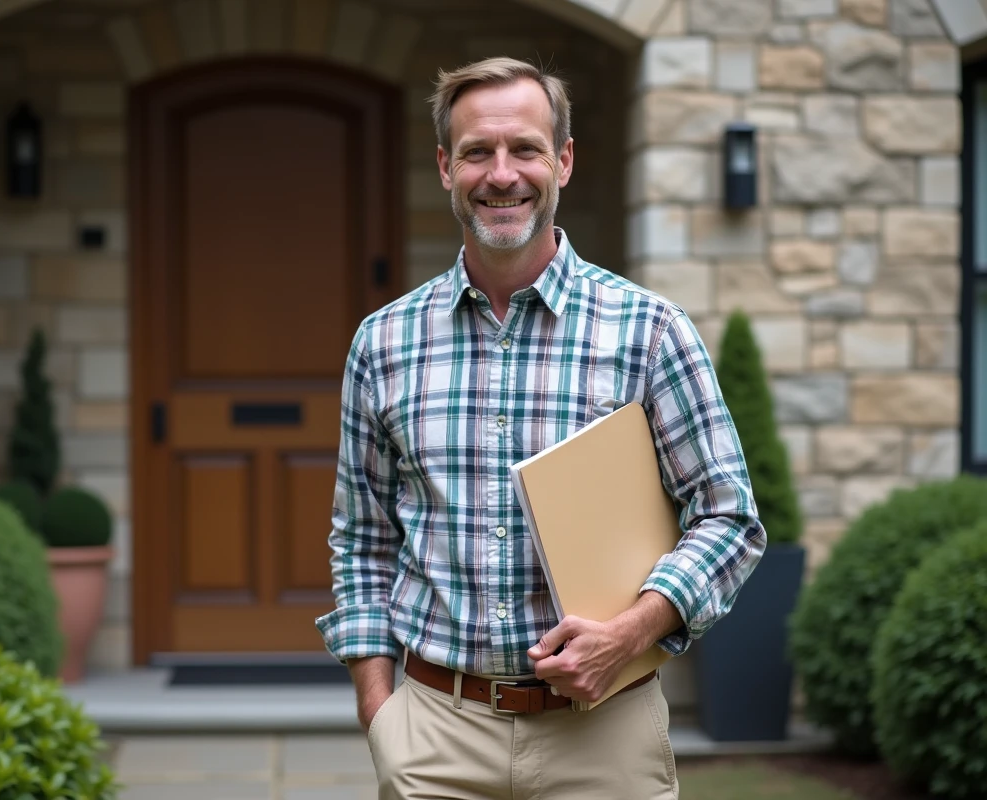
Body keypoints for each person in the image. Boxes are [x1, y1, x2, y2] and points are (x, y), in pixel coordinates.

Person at [316, 56, 766, 800]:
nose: (501, 174)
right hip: (434, 737)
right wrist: (378, 709)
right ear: (444, 167)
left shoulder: (649, 330)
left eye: (524, 148)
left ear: (562, 160)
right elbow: (362, 539)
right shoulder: (383, 342)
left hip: (606, 735)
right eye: (476, 152)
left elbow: (728, 518)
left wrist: (630, 633)